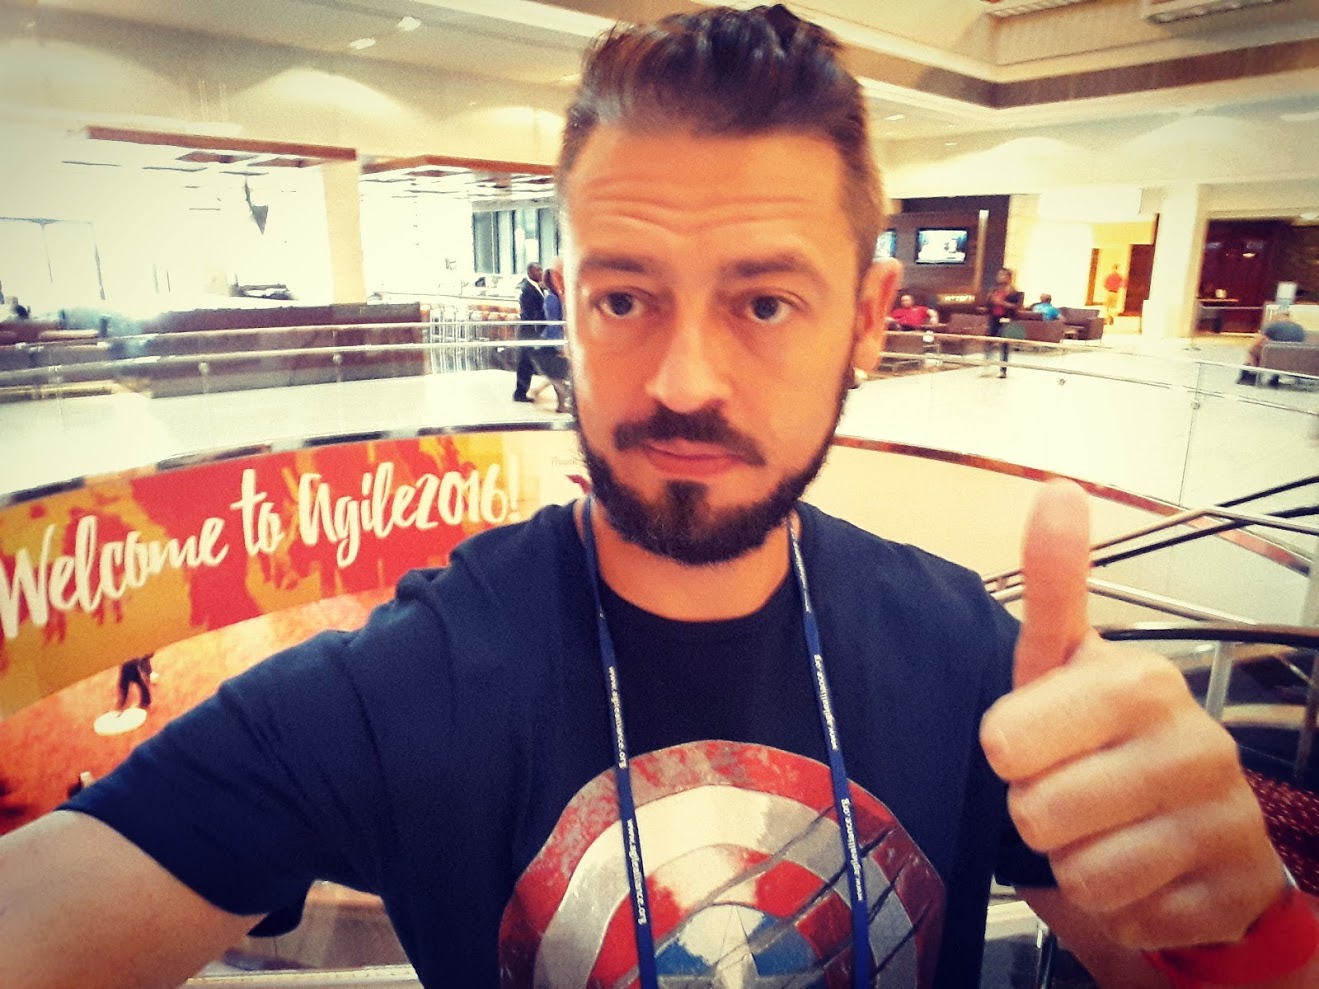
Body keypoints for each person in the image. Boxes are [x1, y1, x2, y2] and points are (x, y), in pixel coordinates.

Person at [0, 7, 1312, 989]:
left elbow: (1177, 962)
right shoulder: (401, 686)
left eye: (763, 301)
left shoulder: (973, 661)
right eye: (624, 296)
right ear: (567, 307)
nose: (684, 380)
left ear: (866, 320)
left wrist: (1248, 925)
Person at [532, 257, 572, 413]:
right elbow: (554, 323)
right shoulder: (552, 299)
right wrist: (560, 345)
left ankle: (560, 404)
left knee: (557, 375)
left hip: (551, 340)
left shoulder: (555, 297)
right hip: (551, 341)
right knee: (558, 374)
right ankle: (561, 403)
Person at [1238, 307, 1308, 386]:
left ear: (1277, 316)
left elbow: (1257, 342)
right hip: (1293, 361)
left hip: (1273, 360)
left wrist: (1250, 348)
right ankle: (1275, 377)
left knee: (1252, 350)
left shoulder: (1273, 326)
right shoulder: (1300, 328)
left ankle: (1251, 374)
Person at [512, 262, 545, 402]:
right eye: (538, 270)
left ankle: (522, 391)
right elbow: (531, 313)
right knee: (525, 363)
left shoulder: (538, 287)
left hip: (533, 332)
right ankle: (520, 393)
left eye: (541, 270)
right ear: (530, 272)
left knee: (528, 364)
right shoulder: (527, 289)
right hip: (528, 332)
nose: (541, 272)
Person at [985, 266, 1023, 378]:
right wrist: (989, 300)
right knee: (989, 341)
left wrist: (1002, 303)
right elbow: (988, 305)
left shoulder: (1015, 293)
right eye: (999, 275)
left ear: (1009, 277)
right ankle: (988, 363)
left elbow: (1017, 307)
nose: (999, 277)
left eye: (1003, 275)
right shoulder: (994, 290)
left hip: (1007, 319)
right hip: (994, 319)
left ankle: (1003, 369)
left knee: (1004, 344)